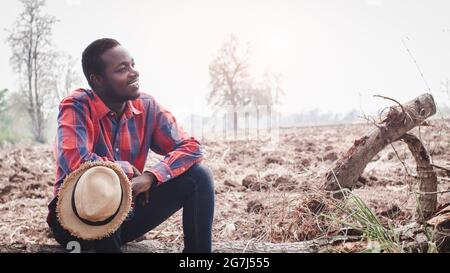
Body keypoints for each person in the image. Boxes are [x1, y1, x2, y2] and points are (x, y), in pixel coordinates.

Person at [46, 38, 215, 253]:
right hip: (76, 221)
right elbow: (76, 162)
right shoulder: (76, 105)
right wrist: (125, 170)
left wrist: (151, 177)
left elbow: (192, 147)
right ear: (97, 80)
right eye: (122, 69)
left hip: (124, 213)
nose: (134, 73)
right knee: (101, 195)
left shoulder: (146, 106)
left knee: (199, 176)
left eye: (133, 65)